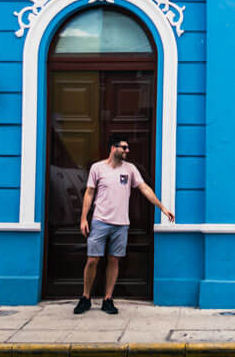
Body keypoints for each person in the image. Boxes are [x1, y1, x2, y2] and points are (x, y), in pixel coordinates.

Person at [74, 134, 174, 315]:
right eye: (124, 147)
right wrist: (83, 219)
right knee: (92, 260)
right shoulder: (97, 168)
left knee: (114, 260)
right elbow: (89, 193)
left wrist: (162, 208)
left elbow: (144, 188)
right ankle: (86, 297)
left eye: (127, 148)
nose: (127, 151)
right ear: (113, 148)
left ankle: (108, 299)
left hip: (121, 223)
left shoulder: (130, 169)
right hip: (100, 221)